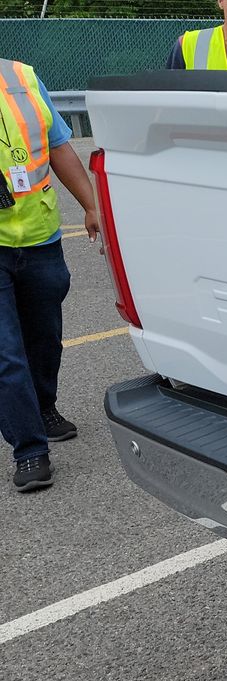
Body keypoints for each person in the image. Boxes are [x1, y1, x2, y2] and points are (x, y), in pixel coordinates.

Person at [0, 57, 100, 493]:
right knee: (6, 353)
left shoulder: (21, 77)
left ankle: (43, 407)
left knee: (44, 336)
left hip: (40, 236)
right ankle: (29, 449)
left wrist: (91, 203)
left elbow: (58, 145)